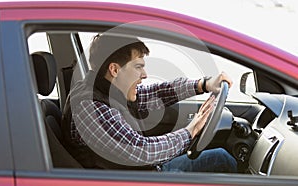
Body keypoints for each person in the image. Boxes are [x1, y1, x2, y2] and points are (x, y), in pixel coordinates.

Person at [61, 34, 237, 172]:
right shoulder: (91, 107)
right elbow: (140, 151)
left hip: (139, 173)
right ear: (114, 70)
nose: (144, 74)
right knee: (221, 160)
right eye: (138, 67)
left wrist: (203, 84)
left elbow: (156, 93)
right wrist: (191, 131)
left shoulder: (107, 90)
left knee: (218, 156)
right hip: (135, 179)